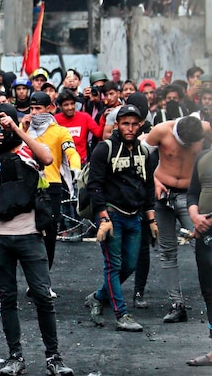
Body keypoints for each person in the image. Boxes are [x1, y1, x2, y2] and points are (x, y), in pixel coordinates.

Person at [0, 104, 73, 376]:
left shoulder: (28, 149)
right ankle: (15, 357)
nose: (3, 129)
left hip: (29, 234)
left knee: (42, 296)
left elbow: (48, 159)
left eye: (7, 123)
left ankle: (54, 357)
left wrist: (18, 129)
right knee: (8, 298)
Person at [85, 105, 156, 332]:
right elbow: (93, 186)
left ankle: (98, 296)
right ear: (117, 125)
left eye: (135, 124)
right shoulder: (103, 149)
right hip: (112, 215)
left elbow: (147, 186)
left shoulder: (143, 152)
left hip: (134, 217)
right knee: (113, 266)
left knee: (130, 265)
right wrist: (103, 218)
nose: (130, 128)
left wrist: (151, 218)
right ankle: (121, 314)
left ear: (141, 125)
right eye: (125, 123)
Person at [143, 115, 211, 322]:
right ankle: (176, 304)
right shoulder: (162, 130)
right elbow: (139, 155)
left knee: (202, 246)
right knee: (167, 250)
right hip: (163, 195)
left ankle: (209, 300)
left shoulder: (205, 128)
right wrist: (153, 179)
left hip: (189, 196)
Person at [25, 91, 81, 274]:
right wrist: (22, 129)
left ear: (50, 109)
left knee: (49, 237)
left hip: (51, 187)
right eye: (31, 108)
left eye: (38, 108)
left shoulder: (60, 131)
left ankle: (44, 279)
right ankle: (33, 279)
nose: (34, 113)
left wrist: (75, 168)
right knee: (26, 236)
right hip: (27, 186)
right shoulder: (23, 129)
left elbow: (71, 151)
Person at [186, 146, 212, 366]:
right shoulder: (204, 156)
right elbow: (193, 191)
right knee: (210, 290)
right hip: (205, 235)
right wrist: (195, 215)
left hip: (207, 227)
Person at [54, 91, 103, 164]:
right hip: (62, 164)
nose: (70, 107)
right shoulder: (55, 120)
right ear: (60, 107)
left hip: (81, 163)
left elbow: (98, 133)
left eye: (72, 104)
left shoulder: (84, 117)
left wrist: (104, 118)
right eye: (66, 105)